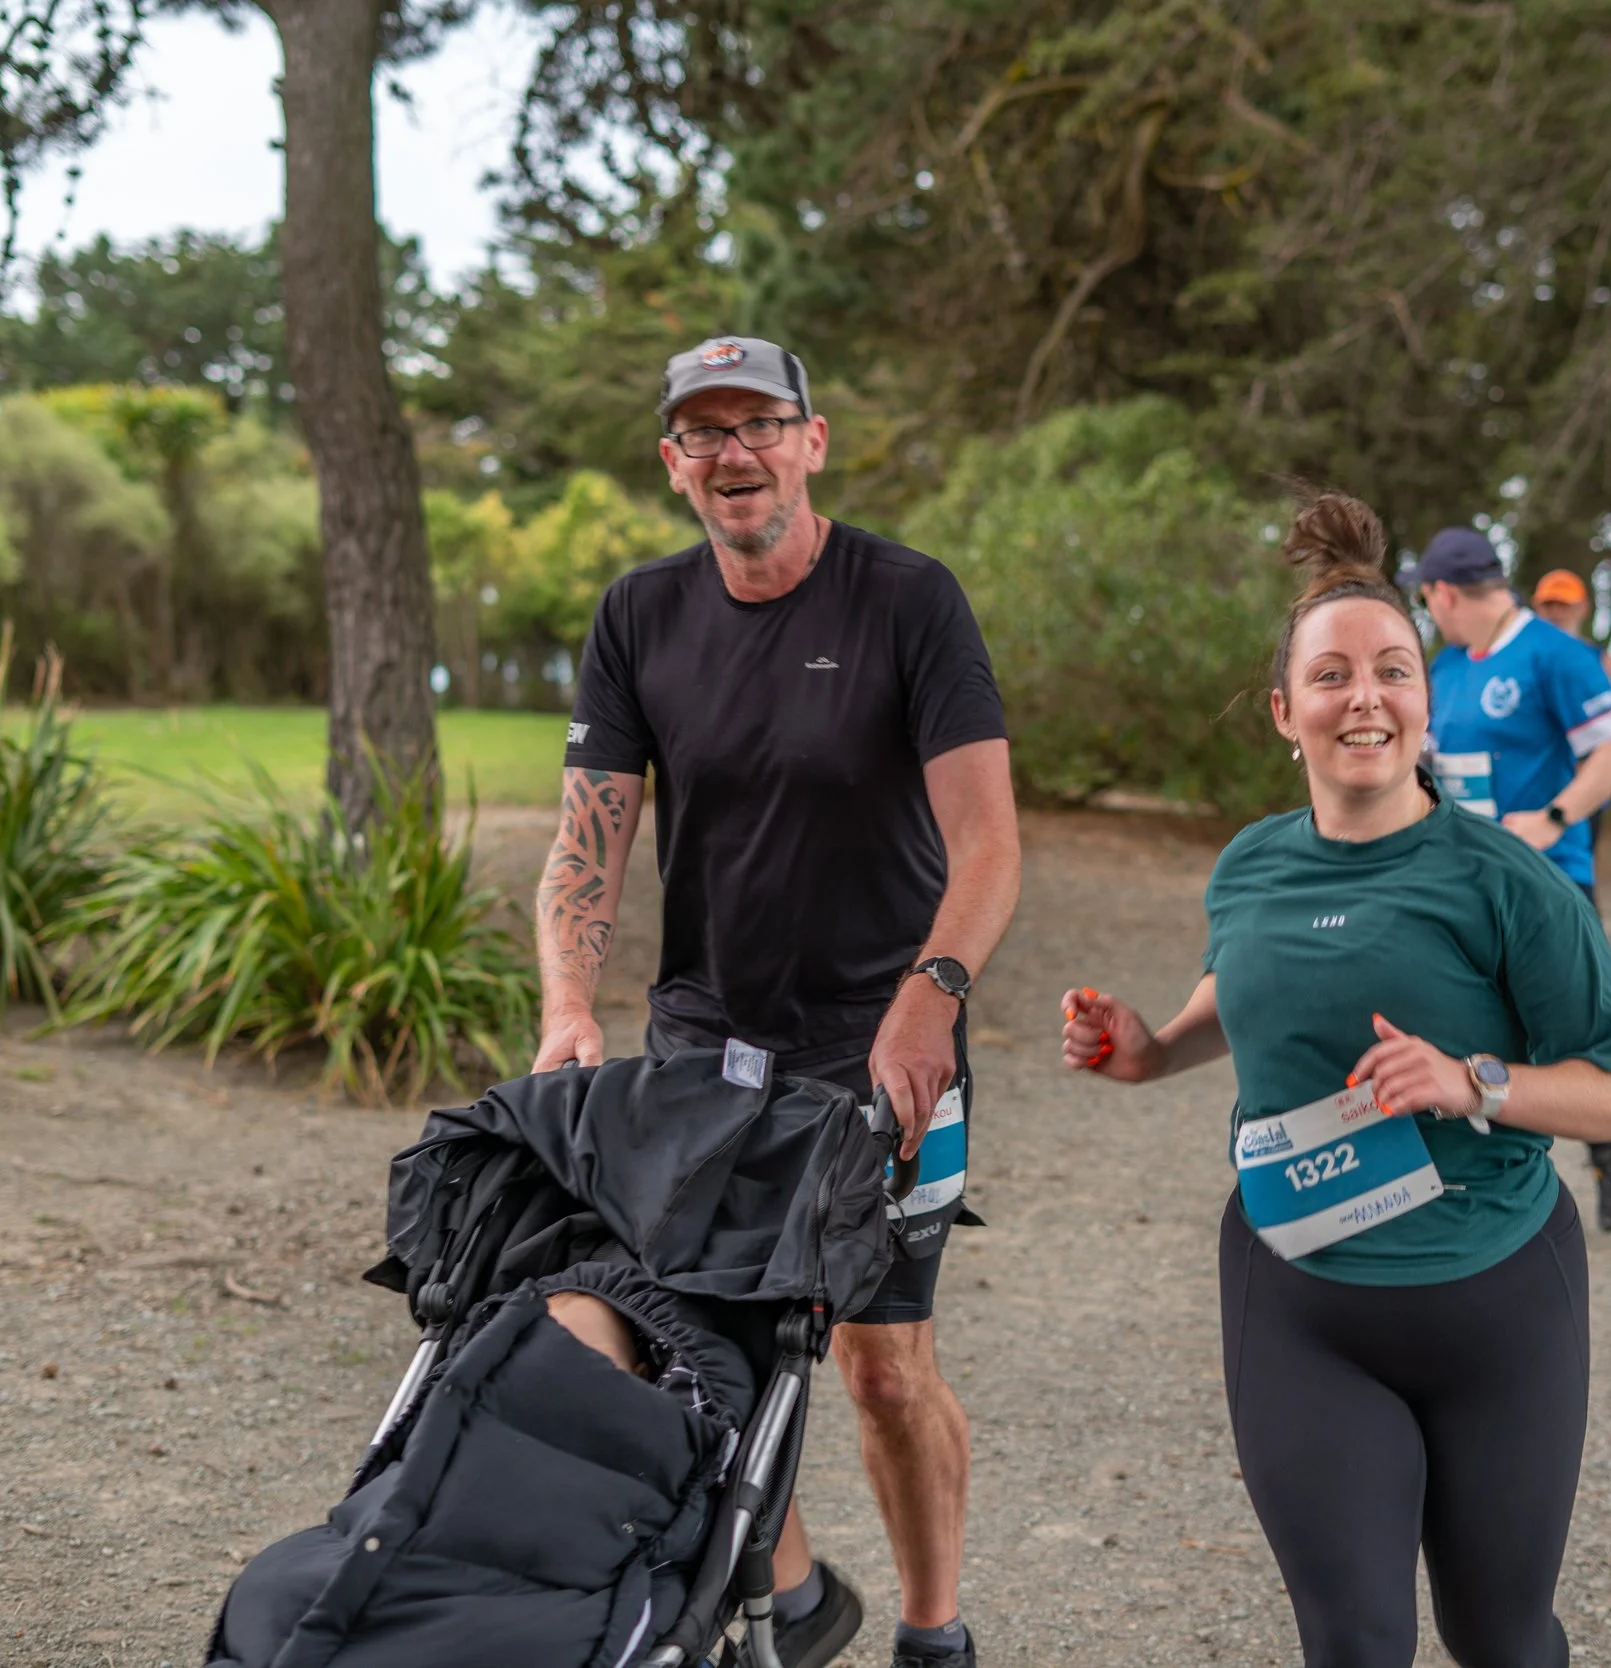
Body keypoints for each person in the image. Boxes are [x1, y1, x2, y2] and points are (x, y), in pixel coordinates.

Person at [1058, 491, 1611, 1668]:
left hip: (1497, 1300)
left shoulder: (1504, 880)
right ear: (1286, 712)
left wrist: (1469, 1080)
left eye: (1393, 671)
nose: (1366, 698)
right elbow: (1233, 1005)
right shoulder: (1249, 867)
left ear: (1426, 704)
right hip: (1300, 1302)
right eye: (1332, 677)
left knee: (1501, 1638)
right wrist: (1146, 1050)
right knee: (1351, 1642)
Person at [531, 335, 1022, 1668]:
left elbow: (987, 841)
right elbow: (591, 839)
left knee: (879, 1364)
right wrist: (570, 1001)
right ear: (674, 462)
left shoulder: (908, 601)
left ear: (812, 441)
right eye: (706, 433)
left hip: (885, 1044)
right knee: (703, 1357)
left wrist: (931, 996)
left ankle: (933, 1631)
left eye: (761, 425)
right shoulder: (640, 616)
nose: (734, 453)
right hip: (705, 1049)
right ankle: (798, 1599)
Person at [1404, 527, 1611, 1232]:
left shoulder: (1556, 653)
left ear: (1444, 592)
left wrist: (1554, 814)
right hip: (1458, 884)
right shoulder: (1446, 667)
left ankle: (1610, 1157)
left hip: (1548, 884)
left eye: (1428, 598)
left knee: (1572, 1042)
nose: (1431, 611)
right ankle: (1455, 1171)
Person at [1530, 568, 1611, 698]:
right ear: (1535, 607)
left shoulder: (1604, 663)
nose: (1556, 613)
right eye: (1548, 605)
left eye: (1564, 605)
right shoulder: (1519, 657)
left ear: (1584, 608)